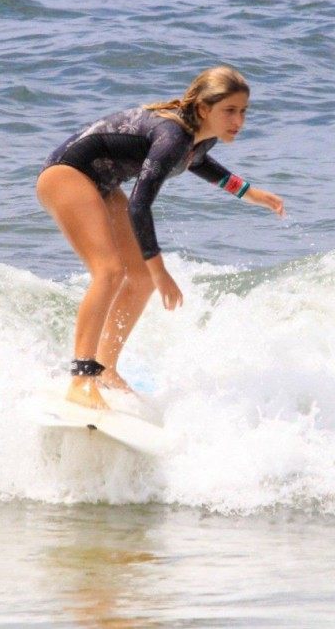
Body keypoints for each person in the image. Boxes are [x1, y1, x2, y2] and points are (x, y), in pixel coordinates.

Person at [36, 66, 284, 409]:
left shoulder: (197, 139)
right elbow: (139, 203)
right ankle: (81, 379)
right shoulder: (172, 136)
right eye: (229, 111)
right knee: (109, 272)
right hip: (67, 175)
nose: (238, 120)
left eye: (243, 111)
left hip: (101, 184)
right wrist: (161, 270)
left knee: (137, 277)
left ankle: (106, 369)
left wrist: (251, 193)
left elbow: (197, 163)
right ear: (203, 109)